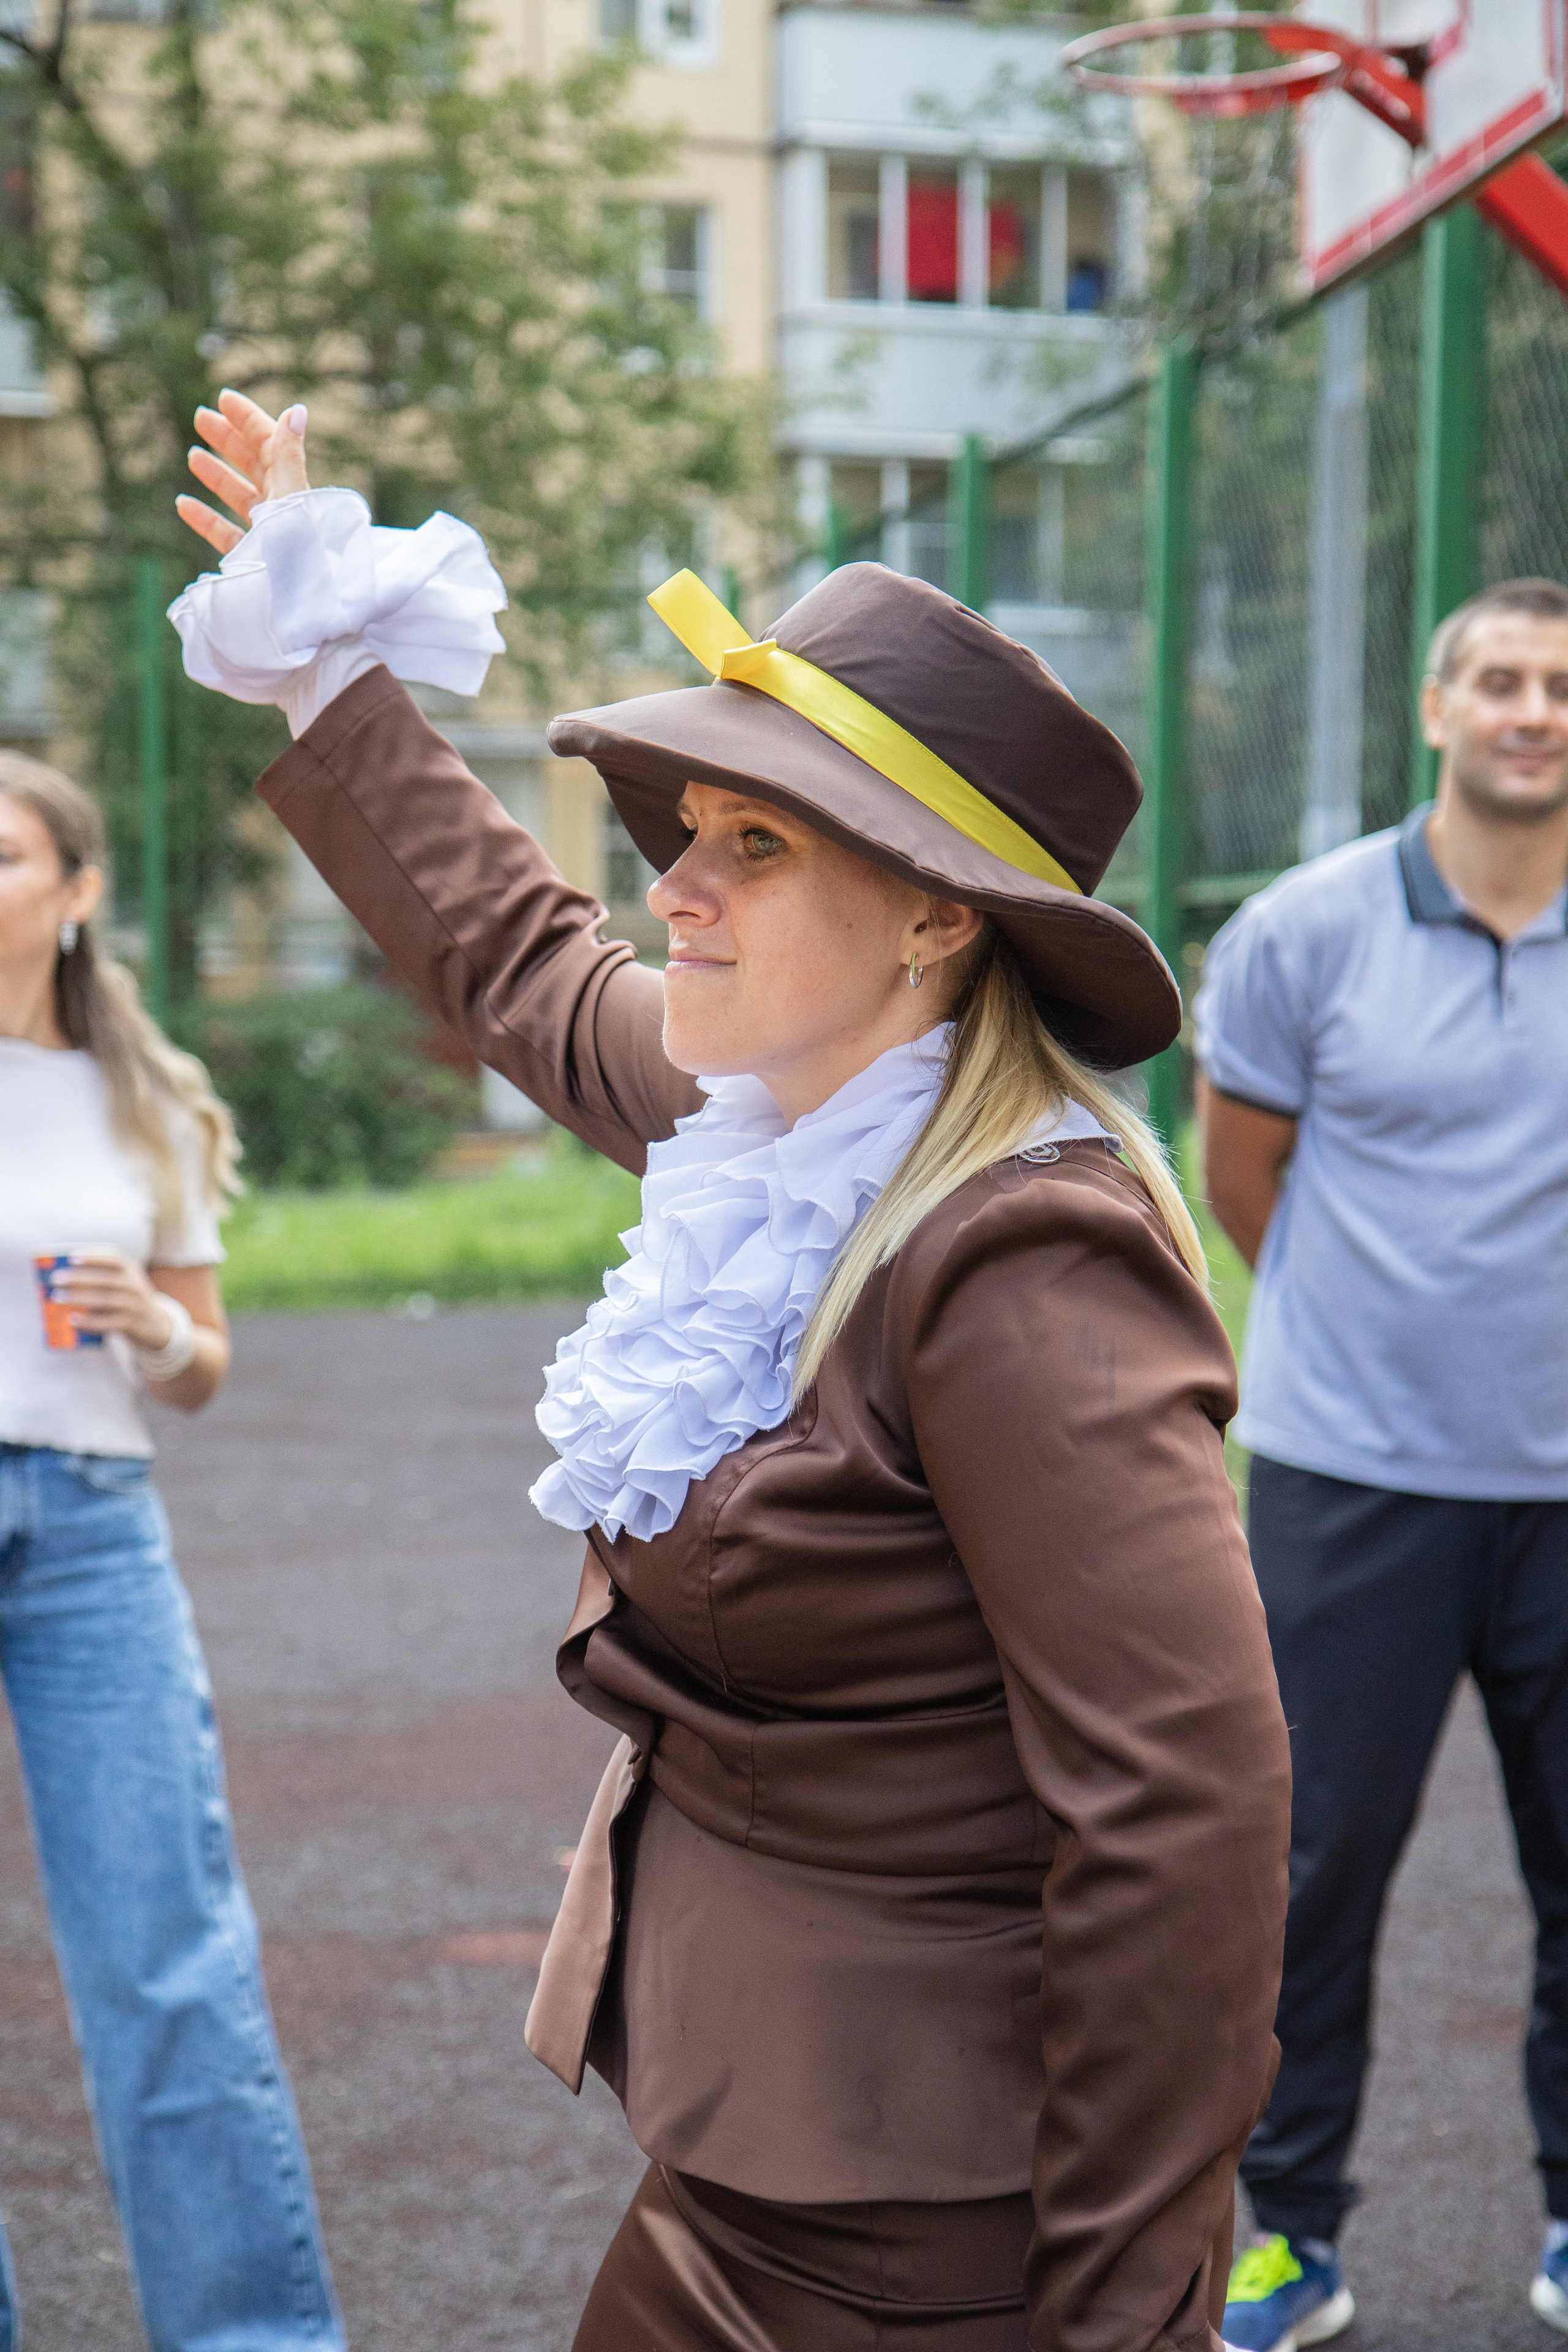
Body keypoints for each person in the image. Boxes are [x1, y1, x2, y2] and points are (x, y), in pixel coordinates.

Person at [175, 388, 1291, 2352]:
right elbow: (525, 963)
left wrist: (1123, 2311)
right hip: (754, 2143)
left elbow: (1182, 1808)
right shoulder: (775, 1127)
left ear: (940, 916)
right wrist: (327, 661)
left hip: (939, 2222)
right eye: (691, 830)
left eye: (754, 844)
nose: (676, 886)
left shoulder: (1021, 1258)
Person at [1194, 578, 1568, 2352]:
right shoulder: (1305, 930)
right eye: (1499, 679)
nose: (1533, 710)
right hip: (1349, 1481)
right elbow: (1241, 1178)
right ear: (1436, 708)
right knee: (1312, 1869)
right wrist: (1378, 1345)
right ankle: (1289, 2236)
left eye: (1561, 685)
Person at [0, 755, 342, 2352]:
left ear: (77, 893)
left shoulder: (148, 1099)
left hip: (90, 1528)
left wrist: (150, 1324)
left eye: (3, 855)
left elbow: (202, 1368)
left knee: (167, 1960)